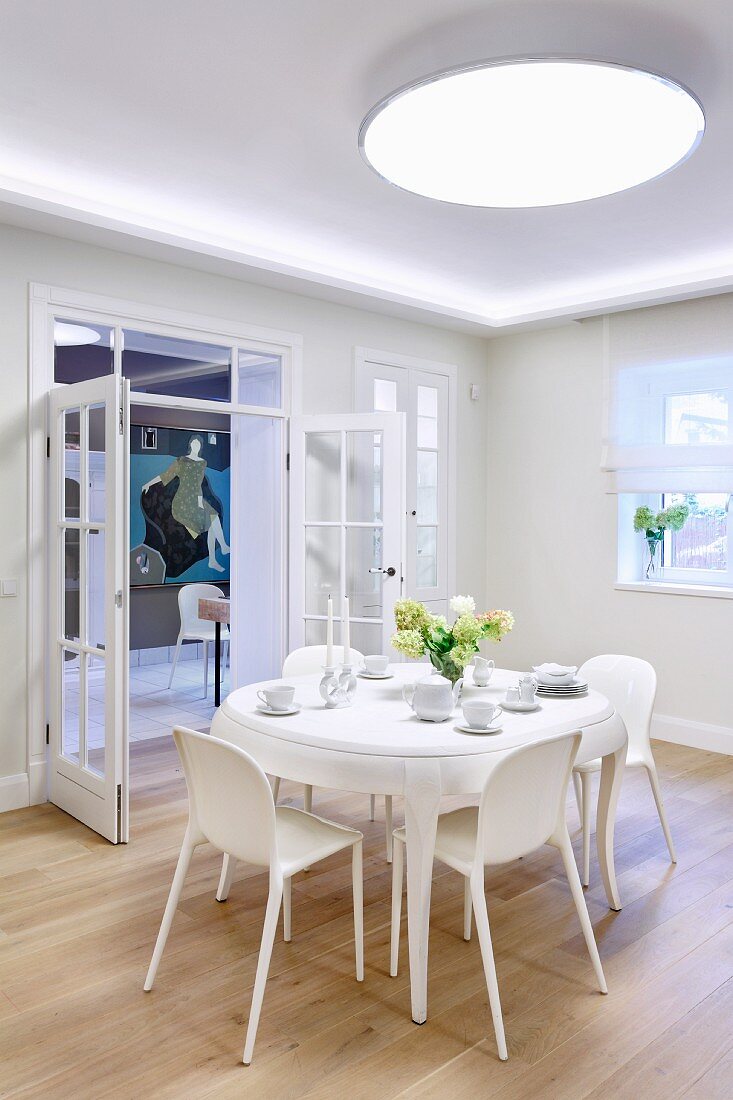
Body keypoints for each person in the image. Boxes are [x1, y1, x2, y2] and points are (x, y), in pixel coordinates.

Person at [142, 435, 230, 572]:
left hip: (196, 499)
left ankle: (214, 558)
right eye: (194, 443)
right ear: (190, 445)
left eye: (198, 444)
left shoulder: (202, 463)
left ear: (200, 447)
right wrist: (148, 484)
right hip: (182, 502)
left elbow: (198, 484)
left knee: (214, 517)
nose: (196, 446)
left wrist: (201, 501)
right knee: (212, 521)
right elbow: (165, 476)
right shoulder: (181, 461)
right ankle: (220, 550)